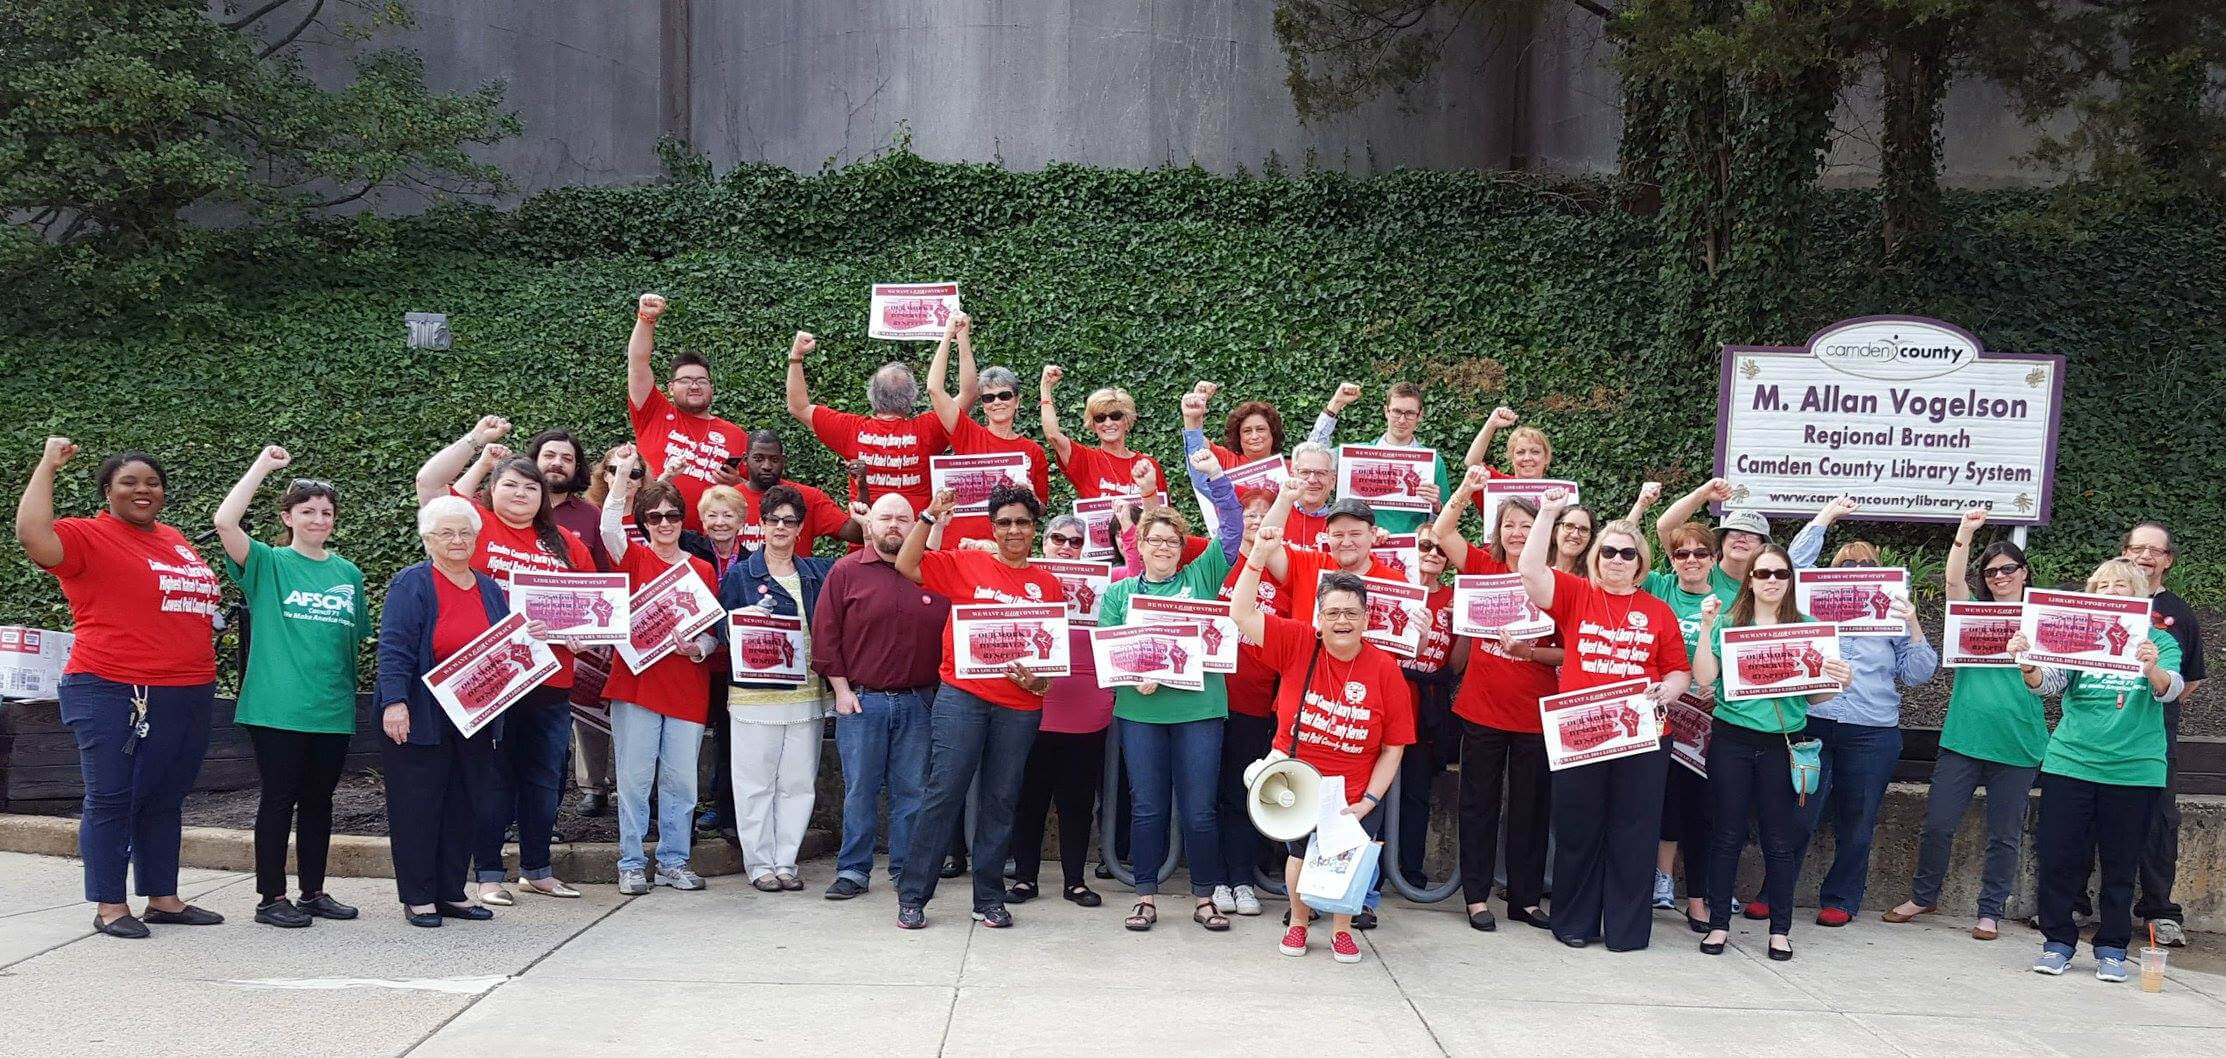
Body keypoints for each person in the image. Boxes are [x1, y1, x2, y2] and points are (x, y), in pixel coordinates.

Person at [17, 438, 225, 938]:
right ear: (107, 491)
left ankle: (163, 897)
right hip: (112, 686)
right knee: (111, 797)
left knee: (165, 797)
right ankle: (110, 904)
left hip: (187, 688)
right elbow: (31, 533)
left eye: (152, 482)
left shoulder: (174, 538)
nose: (142, 490)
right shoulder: (88, 536)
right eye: (128, 482)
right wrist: (47, 466)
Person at [414, 416, 594, 904]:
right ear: (491, 491)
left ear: (542, 497)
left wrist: (582, 636)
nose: (520, 494)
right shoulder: (476, 529)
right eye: (510, 484)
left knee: (543, 779)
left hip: (552, 681)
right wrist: (478, 444)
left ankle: (537, 867)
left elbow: (591, 607)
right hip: (492, 678)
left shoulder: (567, 545)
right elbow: (430, 484)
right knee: (491, 779)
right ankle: (488, 874)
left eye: (529, 488)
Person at [1229, 526, 1415, 965]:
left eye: (1351, 613)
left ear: (1367, 618)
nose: (1342, 621)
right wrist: (1257, 557)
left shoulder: (1385, 669)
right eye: (1332, 612)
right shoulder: (1297, 643)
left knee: (1344, 863)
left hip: (1353, 788)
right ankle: (1297, 922)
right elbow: (1240, 614)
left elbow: (1394, 746)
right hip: (1298, 779)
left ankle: (1342, 930)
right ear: (1318, 615)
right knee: (1298, 856)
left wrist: (1370, 800)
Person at [1519, 488, 1692, 952]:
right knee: (1578, 828)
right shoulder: (1577, 595)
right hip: (1581, 735)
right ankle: (1574, 923)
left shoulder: (1658, 611)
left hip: (1645, 735)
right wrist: (1550, 512)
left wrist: (1670, 689)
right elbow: (1531, 570)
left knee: (1634, 831)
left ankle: (1626, 931)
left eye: (1627, 553)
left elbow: (1679, 667)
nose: (1617, 559)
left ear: (1641, 562)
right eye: (1608, 551)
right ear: (1596, 557)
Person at [891, 483, 1065, 929]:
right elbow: (907, 563)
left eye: (1022, 522)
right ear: (992, 527)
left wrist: (1039, 682)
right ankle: (913, 895)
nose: (1013, 530)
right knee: (943, 794)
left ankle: (988, 897)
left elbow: (1049, 667)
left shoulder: (1048, 584)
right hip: (961, 698)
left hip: (1020, 707)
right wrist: (929, 515)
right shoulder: (965, 563)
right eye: (1004, 522)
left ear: (1033, 527)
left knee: (1001, 801)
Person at [212, 446, 370, 929]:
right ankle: (270, 898)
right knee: (279, 800)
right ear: (288, 516)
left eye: (326, 512)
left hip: (331, 709)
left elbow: (349, 643)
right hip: (277, 707)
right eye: (307, 511)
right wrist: (262, 466)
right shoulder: (268, 564)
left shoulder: (348, 574)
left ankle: (313, 892)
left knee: (320, 803)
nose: (318, 518)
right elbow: (224, 522)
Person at [2017, 558, 2184, 982]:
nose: (2110, 591)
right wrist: (2029, 665)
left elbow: (2172, 690)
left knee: (2121, 862)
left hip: (2134, 769)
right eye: (2102, 584)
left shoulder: (2159, 640)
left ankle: (2111, 947)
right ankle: (2057, 942)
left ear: (2141, 592)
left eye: (2120, 584)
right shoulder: (2081, 634)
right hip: (2071, 760)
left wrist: (2152, 668)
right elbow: (2049, 683)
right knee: (2059, 856)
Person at [1097, 450, 1244, 933]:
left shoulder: (1202, 577)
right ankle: (1144, 896)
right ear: (1137, 543)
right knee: (1147, 806)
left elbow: (1233, 527)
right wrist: (1131, 675)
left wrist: (1218, 479)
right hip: (1141, 711)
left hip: (1200, 708)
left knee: (1200, 810)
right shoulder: (1119, 592)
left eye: (1171, 541)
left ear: (1183, 547)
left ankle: (1204, 898)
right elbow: (1110, 654)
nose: (1163, 547)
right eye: (1154, 539)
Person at [1882, 507, 2044, 941]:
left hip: (2018, 743)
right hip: (1963, 739)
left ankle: (1990, 911)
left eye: (2008, 569)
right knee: (1938, 824)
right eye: (1991, 572)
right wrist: (1964, 533)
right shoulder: (1969, 616)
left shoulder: (2043, 620)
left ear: (2024, 573)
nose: (1999, 577)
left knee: (2004, 835)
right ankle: (1924, 895)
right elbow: (1954, 581)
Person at [1690, 546, 1854, 961]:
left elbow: (1815, 699)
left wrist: (1840, 681)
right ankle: (1719, 925)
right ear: (1750, 579)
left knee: (1779, 839)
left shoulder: (1808, 627)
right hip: (1732, 739)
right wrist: (1708, 628)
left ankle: (1780, 930)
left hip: (1782, 742)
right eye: (1762, 573)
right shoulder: (1728, 622)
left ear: (1789, 579)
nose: (1771, 581)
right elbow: (1705, 677)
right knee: (1725, 835)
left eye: (1779, 573)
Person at [1775, 532, 1938, 928]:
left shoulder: (1892, 615)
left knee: (1858, 820)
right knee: (1797, 814)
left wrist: (1913, 623)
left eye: (1867, 566)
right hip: (1815, 721)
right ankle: (1774, 892)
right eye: (1848, 566)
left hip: (1871, 729)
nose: (1858, 572)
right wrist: (1826, 518)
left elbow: (1919, 674)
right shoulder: (1810, 607)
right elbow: (1793, 564)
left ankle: (1841, 899)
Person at [373, 496, 521, 927]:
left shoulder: (489, 587)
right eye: (446, 533)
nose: (457, 540)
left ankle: (451, 893)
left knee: (463, 804)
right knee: (417, 806)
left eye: (465, 533)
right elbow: (395, 647)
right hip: (421, 713)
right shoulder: (412, 583)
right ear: (427, 539)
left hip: (474, 716)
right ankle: (419, 897)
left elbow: (504, 646)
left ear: (476, 538)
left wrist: (530, 635)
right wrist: (395, 702)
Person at [1431, 470, 1558, 933]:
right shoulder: (1482, 568)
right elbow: (1443, 532)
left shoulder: (1554, 582)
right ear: (1497, 532)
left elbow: (1571, 649)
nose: (1518, 533)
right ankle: (1476, 897)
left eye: (1527, 526)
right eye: (1509, 525)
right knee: (1478, 805)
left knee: (1531, 808)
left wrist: (1532, 653)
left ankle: (1524, 899)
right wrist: (1465, 490)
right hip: (1481, 709)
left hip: (1535, 714)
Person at [812, 493, 950, 900]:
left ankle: (907, 869)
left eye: (903, 518)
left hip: (919, 701)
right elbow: (826, 635)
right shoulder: (845, 572)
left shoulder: (931, 571)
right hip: (861, 701)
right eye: (885, 517)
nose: (894, 525)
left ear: (914, 525)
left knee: (913, 793)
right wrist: (840, 690)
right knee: (860, 791)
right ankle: (853, 871)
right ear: (868, 524)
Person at [598, 449, 718, 895]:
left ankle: (673, 860)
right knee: (634, 778)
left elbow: (714, 630)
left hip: (687, 684)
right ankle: (630, 862)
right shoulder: (632, 557)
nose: (664, 523)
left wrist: (699, 648)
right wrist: (624, 476)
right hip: (637, 684)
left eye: (672, 515)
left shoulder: (703, 569)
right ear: (644, 521)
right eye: (654, 516)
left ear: (684, 520)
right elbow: (609, 525)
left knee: (682, 781)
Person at [720, 484, 837, 891]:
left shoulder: (817, 573)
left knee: (798, 783)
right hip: (756, 697)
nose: (781, 527)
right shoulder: (739, 575)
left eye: (790, 521)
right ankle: (759, 865)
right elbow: (719, 630)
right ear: (761, 525)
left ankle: (787, 861)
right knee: (754, 783)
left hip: (806, 695)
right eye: (774, 520)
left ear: (800, 527)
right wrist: (741, 620)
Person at [1007, 513, 1111, 909]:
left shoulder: (1105, 582)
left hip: (1086, 709)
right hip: (1031, 705)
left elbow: (1138, 571)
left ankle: (1075, 882)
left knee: (1077, 801)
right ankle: (1025, 879)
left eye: (1075, 541)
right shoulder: (1025, 578)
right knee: (1028, 798)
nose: (1066, 546)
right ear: (1043, 541)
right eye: (1058, 538)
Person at [2120, 522, 2203, 947]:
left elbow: (2188, 682)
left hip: (2154, 737)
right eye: (2137, 548)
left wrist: (2155, 698)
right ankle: (2073, 902)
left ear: (2167, 560)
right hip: (2097, 735)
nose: (2144, 556)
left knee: (2159, 821)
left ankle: (2159, 911)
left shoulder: (2179, 614)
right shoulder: (2104, 602)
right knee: (2086, 816)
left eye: (2154, 550)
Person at [926, 311, 1051, 546]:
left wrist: (1030, 496)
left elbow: (1041, 509)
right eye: (988, 398)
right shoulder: (967, 433)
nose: (997, 402)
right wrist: (953, 335)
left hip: (1004, 550)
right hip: (957, 545)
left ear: (1017, 401)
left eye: (1004, 395)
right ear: (982, 405)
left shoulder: (1033, 451)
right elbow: (934, 389)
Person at [788, 330, 948, 512]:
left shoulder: (850, 429)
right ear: (912, 397)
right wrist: (953, 337)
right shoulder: (929, 427)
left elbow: (798, 407)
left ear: (872, 394)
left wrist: (796, 356)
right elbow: (967, 397)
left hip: (864, 536)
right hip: (917, 535)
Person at [626, 293, 748, 531]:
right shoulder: (653, 412)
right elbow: (638, 364)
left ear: (711, 387)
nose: (694, 385)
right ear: (670, 388)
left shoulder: (736, 434)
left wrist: (738, 482)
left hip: (709, 542)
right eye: (686, 380)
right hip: (650, 530)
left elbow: (753, 491)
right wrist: (645, 319)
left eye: (702, 381)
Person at [1391, 523, 1463, 891]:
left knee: (1417, 792)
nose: (1433, 553)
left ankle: (1410, 869)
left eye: (1440, 549)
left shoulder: (1454, 598)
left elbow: (1456, 663)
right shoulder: (1390, 587)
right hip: (1388, 695)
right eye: (1425, 545)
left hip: (1427, 705)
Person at [570, 446, 640, 817]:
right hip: (600, 619)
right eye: (617, 469)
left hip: (645, 625)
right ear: (605, 475)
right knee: (587, 700)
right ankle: (592, 785)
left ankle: (634, 784)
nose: (627, 476)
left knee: (638, 707)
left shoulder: (655, 515)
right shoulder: (592, 516)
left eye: (635, 471)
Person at [1306, 380, 1446, 533]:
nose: (1402, 420)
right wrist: (1335, 403)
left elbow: (1444, 526)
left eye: (1410, 413)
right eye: (1396, 411)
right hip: (1360, 549)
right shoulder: (1356, 456)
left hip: (1410, 551)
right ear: (1386, 411)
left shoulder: (1433, 462)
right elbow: (1312, 455)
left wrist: (1437, 506)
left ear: (1420, 416)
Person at [1039, 365, 1164, 498]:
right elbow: (1053, 436)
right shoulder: (1086, 460)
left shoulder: (1148, 465)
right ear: (1093, 425)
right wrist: (1045, 387)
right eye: (1100, 418)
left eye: (1115, 416)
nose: (1108, 423)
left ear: (1127, 421)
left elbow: (1164, 513)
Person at [733, 430, 862, 553]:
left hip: (796, 575)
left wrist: (862, 488)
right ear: (745, 459)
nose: (767, 466)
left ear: (784, 460)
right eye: (758, 459)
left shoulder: (809, 497)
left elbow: (856, 535)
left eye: (774, 460)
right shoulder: (729, 499)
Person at [527, 428, 612, 570]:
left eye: (566, 459)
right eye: (549, 456)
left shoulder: (592, 515)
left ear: (576, 467)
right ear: (534, 460)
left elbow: (602, 575)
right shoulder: (514, 505)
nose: (557, 463)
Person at [1278, 442, 1340, 550]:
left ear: (1332, 481)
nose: (1312, 480)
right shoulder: (1276, 515)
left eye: (1321, 473)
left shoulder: (1343, 523)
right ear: (1292, 476)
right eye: (1305, 472)